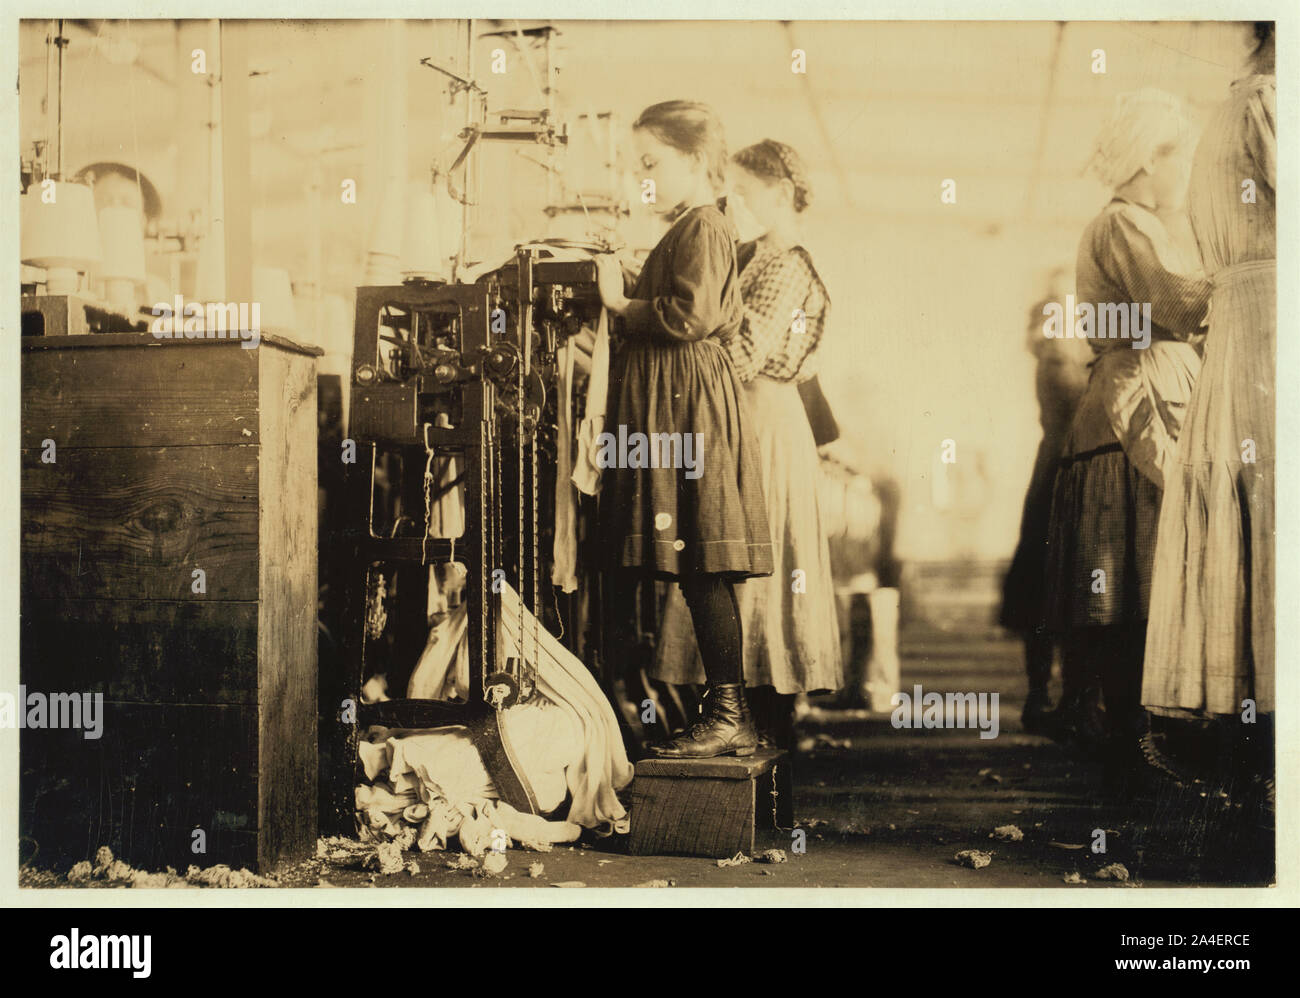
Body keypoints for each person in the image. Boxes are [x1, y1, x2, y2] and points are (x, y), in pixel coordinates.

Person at [1042, 88, 1211, 794]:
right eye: (1182, 161)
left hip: (1138, 396)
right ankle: (1130, 744)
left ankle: (1131, 740)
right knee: (1131, 587)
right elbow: (1173, 303)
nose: (1189, 177)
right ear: (1151, 160)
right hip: (1134, 406)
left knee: (1132, 585)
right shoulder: (1123, 224)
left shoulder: (1133, 223)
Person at [593, 100, 773, 759]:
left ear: (695, 162)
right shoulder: (698, 224)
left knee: (703, 562)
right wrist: (641, 277)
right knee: (701, 564)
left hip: (686, 399)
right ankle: (725, 712)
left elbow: (689, 315)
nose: (641, 177)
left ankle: (728, 714)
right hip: (682, 397)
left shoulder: (701, 224)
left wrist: (619, 301)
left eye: (650, 163)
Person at [650, 139, 843, 751]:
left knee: (759, 582)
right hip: (743, 417)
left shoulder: (789, 263)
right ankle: (745, 741)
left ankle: (768, 765)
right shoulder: (754, 254)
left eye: (747, 192)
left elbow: (741, 353)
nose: (734, 204)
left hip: (761, 422)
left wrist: (667, 343)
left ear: (780, 194)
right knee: (736, 579)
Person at [1142, 24, 1275, 811]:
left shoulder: (1224, 115)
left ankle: (1245, 750)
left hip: (1240, 323)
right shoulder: (1267, 105)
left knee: (1248, 516)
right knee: (1267, 512)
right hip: (1268, 326)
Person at [999, 287, 1090, 734]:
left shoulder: (1057, 354)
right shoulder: (1061, 358)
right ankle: (1059, 696)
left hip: (1053, 465)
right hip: (1065, 467)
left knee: (1046, 578)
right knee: (1057, 577)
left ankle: (1050, 694)